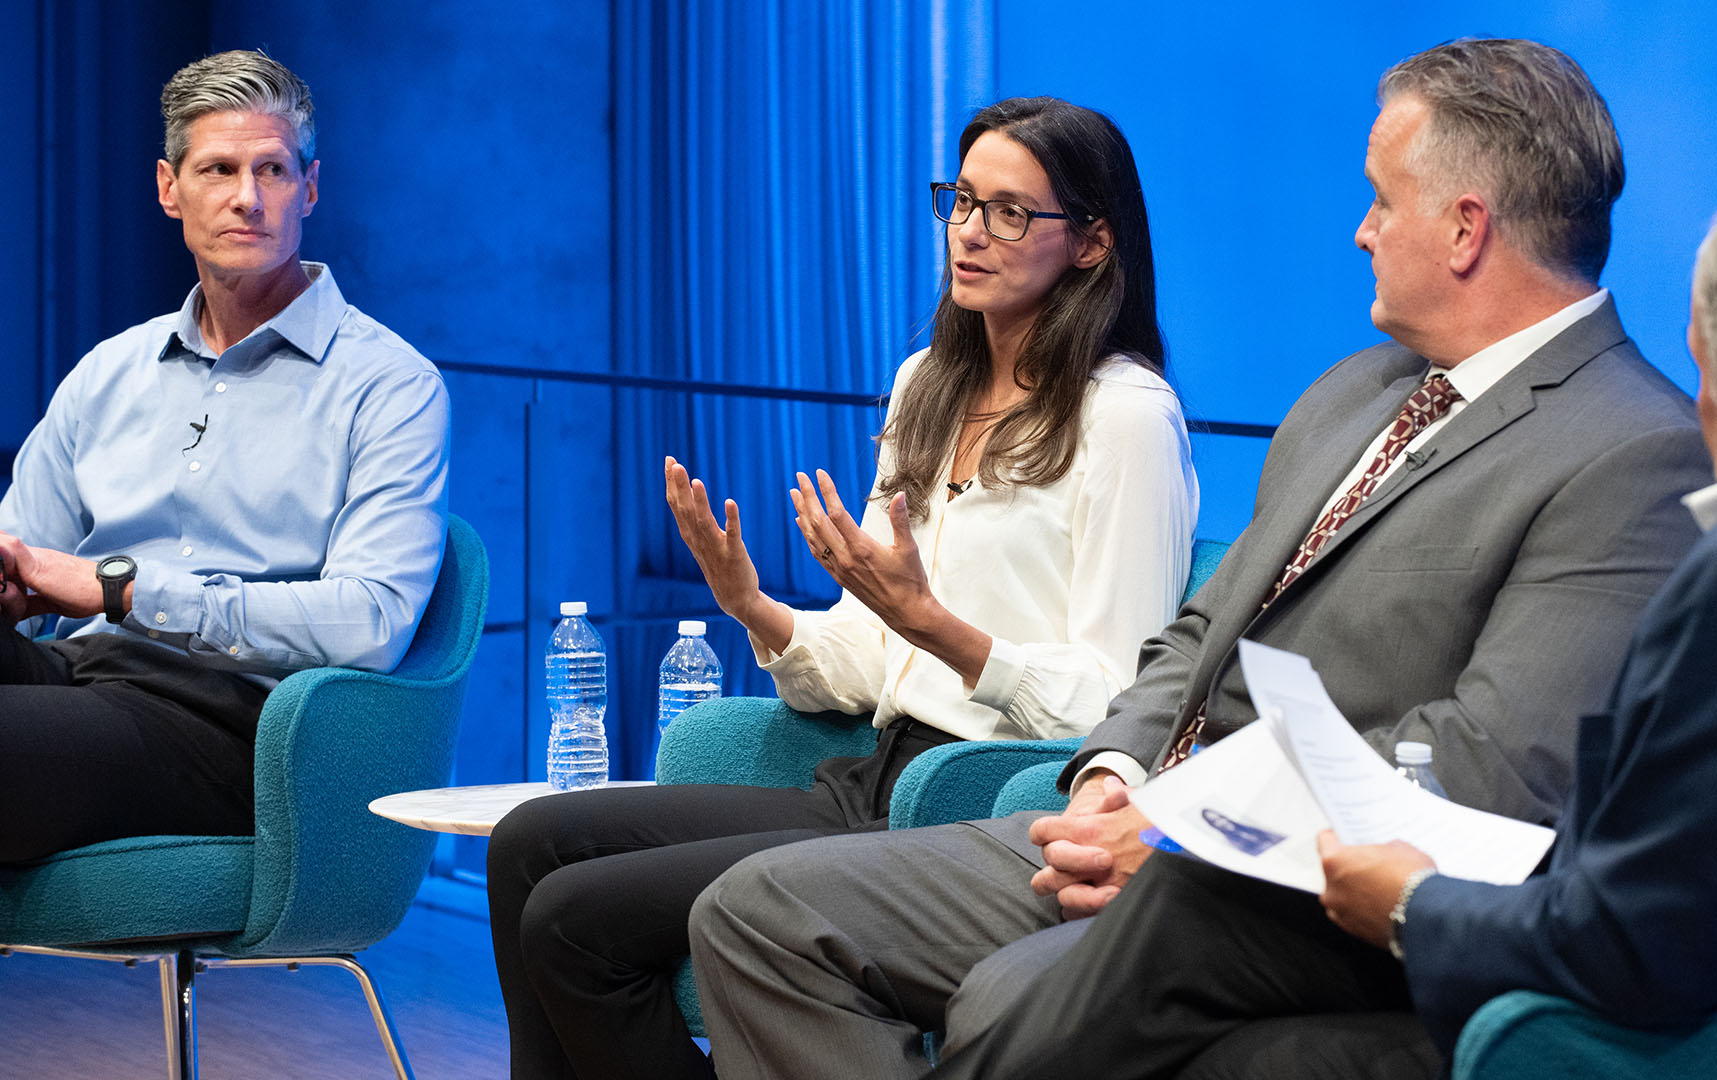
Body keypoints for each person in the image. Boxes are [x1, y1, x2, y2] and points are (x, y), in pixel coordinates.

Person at [687, 38, 1715, 1080]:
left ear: (1464, 229)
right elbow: (1197, 634)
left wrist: (1186, 829)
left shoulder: (1633, 452)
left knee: (1012, 998)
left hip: (1295, 888)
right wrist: (1112, 774)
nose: (1361, 233)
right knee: (758, 915)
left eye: (1380, 202)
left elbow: (1484, 764)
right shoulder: (1353, 392)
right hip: (1145, 821)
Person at [915, 160, 1717, 1080]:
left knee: (1194, 945)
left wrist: (1408, 902)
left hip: (1661, 1038)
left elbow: (1641, 941)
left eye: (1700, 374)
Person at [486, 96, 1200, 1079]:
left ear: (1090, 242)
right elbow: (867, 660)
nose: (970, 233)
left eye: (1010, 213)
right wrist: (753, 607)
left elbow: (1125, 702)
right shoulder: (926, 386)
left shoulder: (1126, 418)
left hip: (979, 802)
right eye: (961, 202)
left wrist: (936, 626)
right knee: (530, 847)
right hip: (874, 775)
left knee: (576, 921)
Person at [0, 50, 450, 865]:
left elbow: (373, 621)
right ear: (170, 188)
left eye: (272, 169)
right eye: (218, 169)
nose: (247, 198)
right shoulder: (109, 371)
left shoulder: (389, 384)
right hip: (65, 674)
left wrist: (125, 589)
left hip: (229, 724)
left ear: (309, 188)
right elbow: (22, 553)